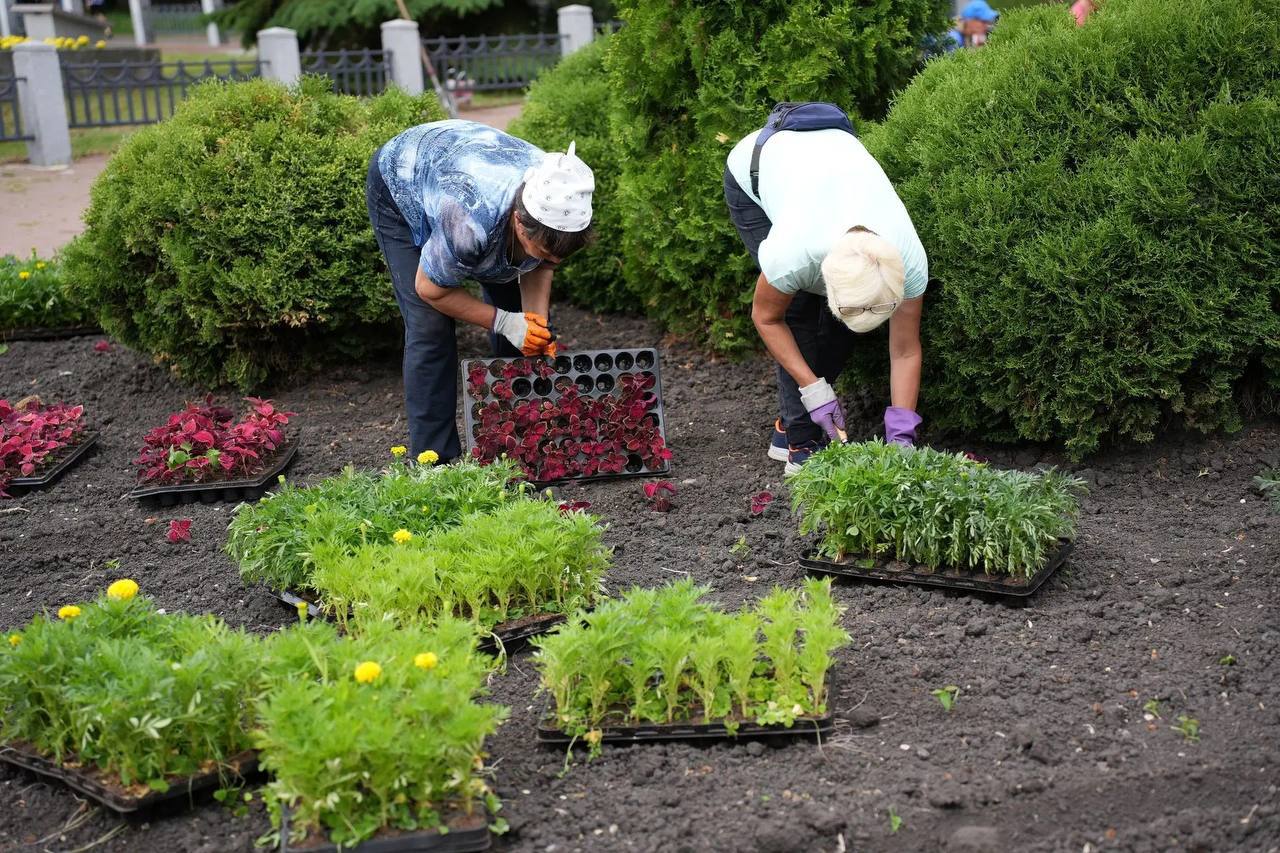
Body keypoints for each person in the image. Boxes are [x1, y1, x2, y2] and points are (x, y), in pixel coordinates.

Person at [367, 119, 595, 460]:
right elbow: (430, 288)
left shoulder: (564, 199)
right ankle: (435, 459)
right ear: (520, 222)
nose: (551, 262)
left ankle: (516, 434)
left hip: (469, 169)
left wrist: (533, 322)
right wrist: (505, 323)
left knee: (517, 308)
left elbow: (543, 262)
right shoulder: (470, 222)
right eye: (544, 252)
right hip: (403, 178)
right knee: (430, 325)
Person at [723, 115, 928, 473]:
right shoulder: (794, 252)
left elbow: (905, 349)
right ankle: (800, 443)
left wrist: (902, 437)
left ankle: (789, 428)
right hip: (756, 168)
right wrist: (814, 392)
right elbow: (767, 317)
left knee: (835, 329)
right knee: (799, 308)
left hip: (828, 165)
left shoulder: (908, 261)